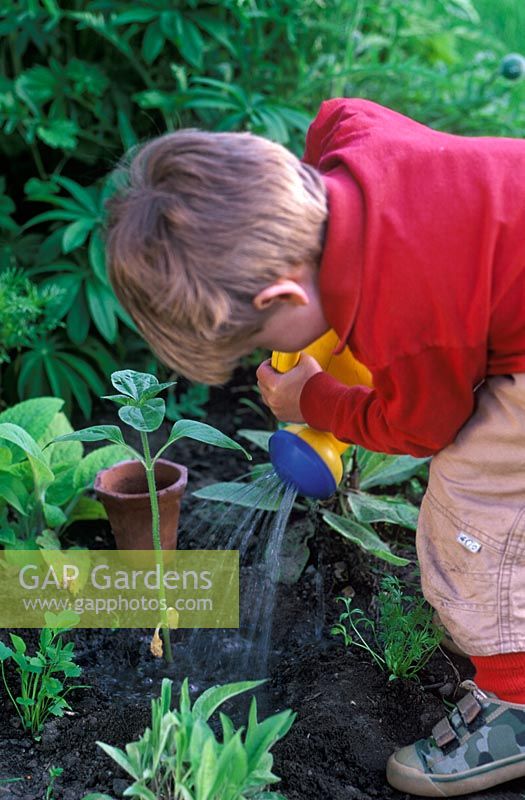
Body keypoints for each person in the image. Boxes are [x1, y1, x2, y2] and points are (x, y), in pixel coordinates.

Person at [104, 98, 525, 796]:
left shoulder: (410, 318)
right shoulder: (349, 158)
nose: (268, 358)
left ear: (279, 294)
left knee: (471, 519)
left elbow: (423, 429)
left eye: (261, 343)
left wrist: (315, 401)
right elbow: (340, 112)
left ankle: (514, 703)